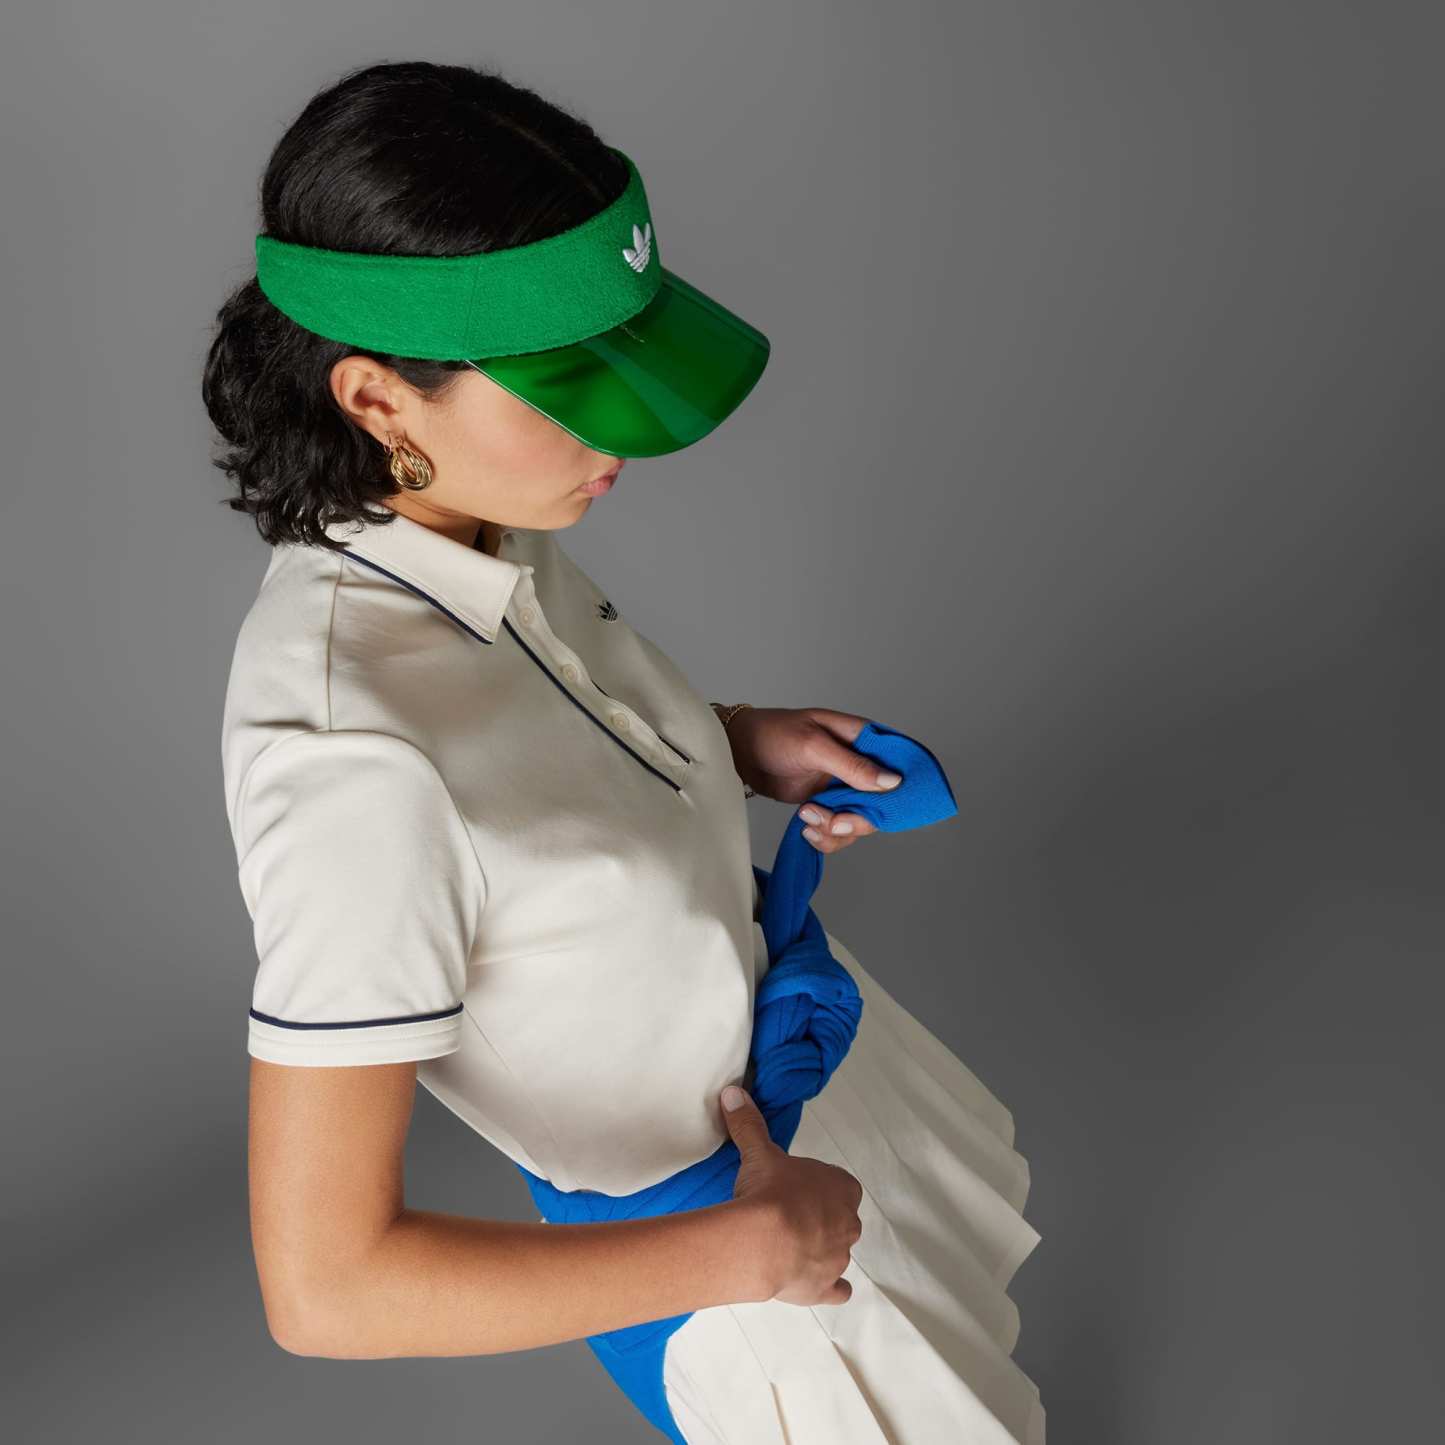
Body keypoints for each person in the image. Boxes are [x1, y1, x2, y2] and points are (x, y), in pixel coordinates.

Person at [203, 58, 1045, 1444]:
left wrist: (724, 746)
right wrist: (747, 1252)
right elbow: (327, 1286)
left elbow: (526, 780)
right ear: (377, 397)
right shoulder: (348, 761)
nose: (625, 434)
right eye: (566, 381)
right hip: (735, 1251)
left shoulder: (473, 520)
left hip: (801, 1090)